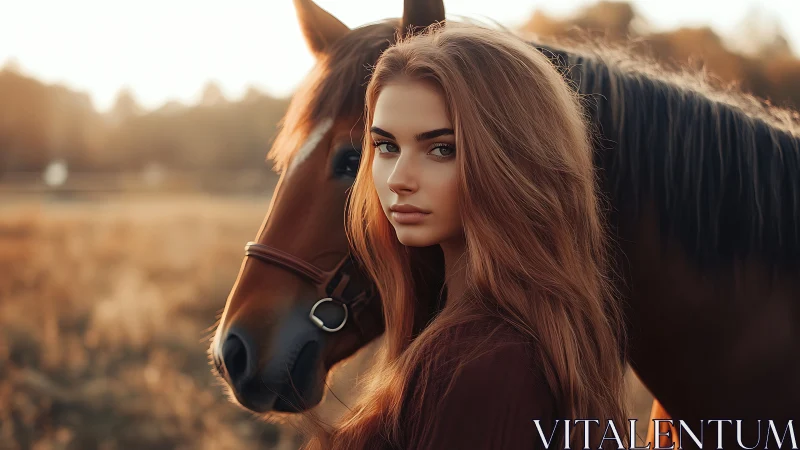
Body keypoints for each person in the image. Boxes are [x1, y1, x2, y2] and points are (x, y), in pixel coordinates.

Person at [301, 22, 629, 450]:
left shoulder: (483, 362)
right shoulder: (505, 335)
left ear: (514, 159)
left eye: (441, 149)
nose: (398, 179)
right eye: (386, 146)